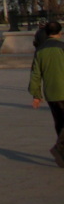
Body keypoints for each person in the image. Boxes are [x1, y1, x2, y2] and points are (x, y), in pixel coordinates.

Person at [28, 20, 64, 168]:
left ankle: (62, 155)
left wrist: (36, 95)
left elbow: (35, 74)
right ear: (60, 32)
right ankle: (59, 149)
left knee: (60, 123)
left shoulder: (40, 51)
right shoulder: (63, 48)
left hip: (50, 92)